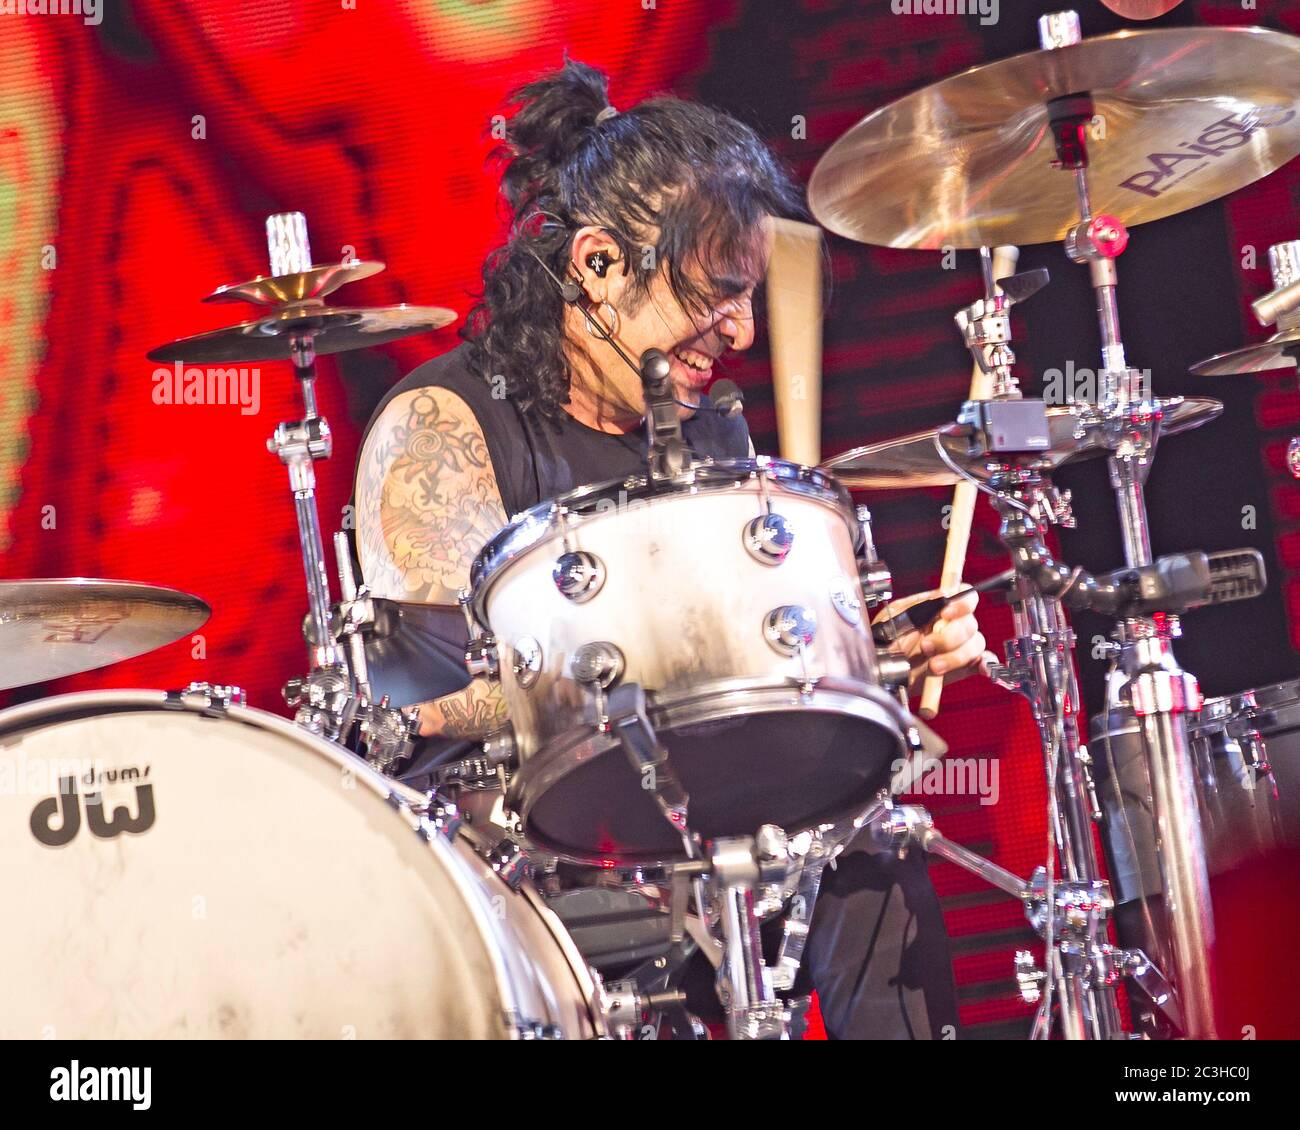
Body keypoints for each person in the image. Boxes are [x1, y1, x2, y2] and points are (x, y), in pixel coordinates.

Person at [353, 59, 993, 1039]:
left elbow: (737, 667)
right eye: (712, 291)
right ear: (599, 266)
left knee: (869, 843)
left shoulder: (697, 440)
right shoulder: (442, 423)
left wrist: (864, 651)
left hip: (695, 820)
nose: (738, 328)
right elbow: (426, 703)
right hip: (518, 860)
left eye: (749, 294)